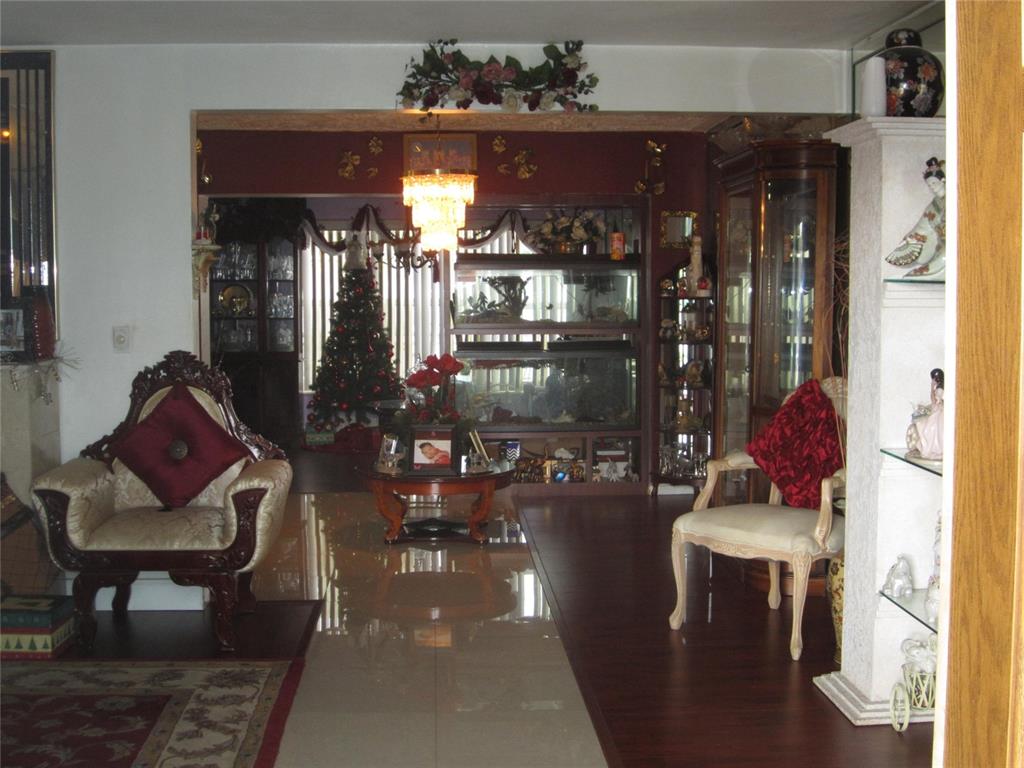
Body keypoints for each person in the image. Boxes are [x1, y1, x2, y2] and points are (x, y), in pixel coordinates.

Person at [885, 157, 945, 278]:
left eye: (934, 183)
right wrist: (908, 241)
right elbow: (922, 227)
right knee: (918, 273)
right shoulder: (933, 205)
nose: (932, 187)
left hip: (954, 248)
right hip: (941, 247)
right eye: (929, 185)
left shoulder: (955, 199)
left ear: (943, 180)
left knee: (935, 269)